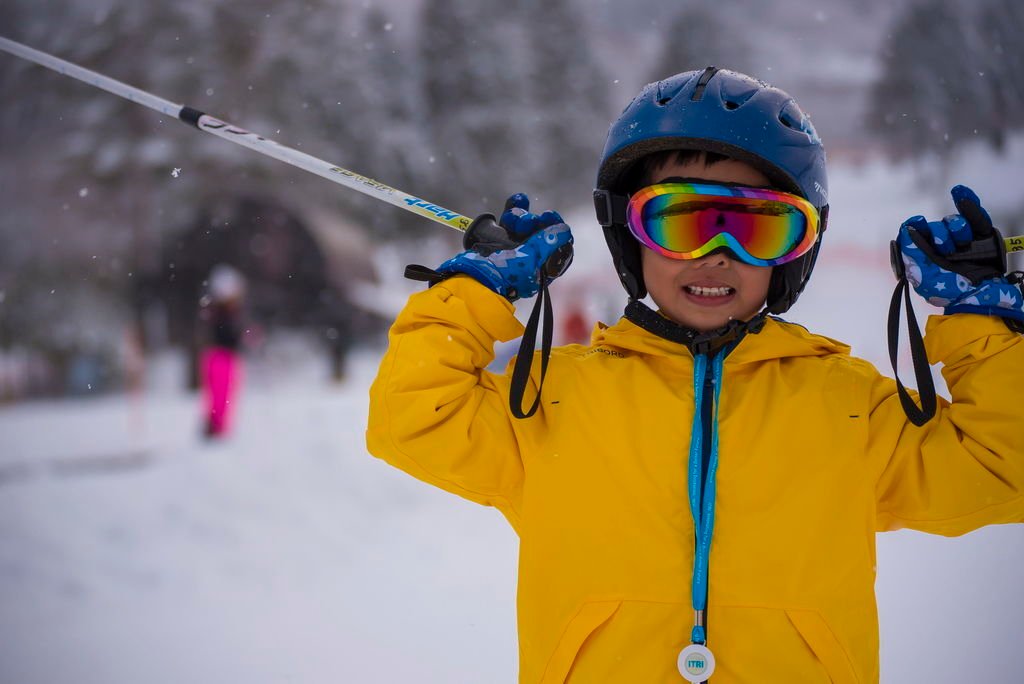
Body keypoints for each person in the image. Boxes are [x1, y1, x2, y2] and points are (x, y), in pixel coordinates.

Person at [366, 68, 1024, 682]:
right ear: (631, 236)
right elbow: (413, 418)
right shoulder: (555, 398)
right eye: (681, 221)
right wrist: (475, 293)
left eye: (755, 230)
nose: (716, 257)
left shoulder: (848, 407)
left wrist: (979, 322)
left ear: (795, 254)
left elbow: (1004, 461)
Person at [199, 263, 247, 438]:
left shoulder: (221, 312)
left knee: (222, 395)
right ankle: (215, 426)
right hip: (220, 357)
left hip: (222, 357)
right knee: (220, 395)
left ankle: (217, 426)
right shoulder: (220, 313)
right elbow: (227, 335)